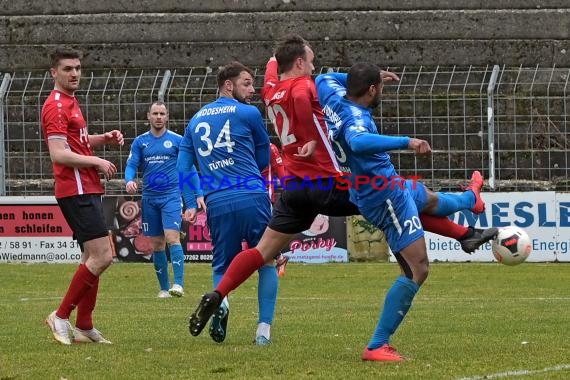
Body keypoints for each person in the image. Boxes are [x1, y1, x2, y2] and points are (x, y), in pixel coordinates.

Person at [187, 35, 496, 351]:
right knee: (401, 197)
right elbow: (319, 118)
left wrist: (363, 78)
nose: (314, 65)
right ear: (299, 63)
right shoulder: (306, 90)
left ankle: (218, 293)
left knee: (262, 252)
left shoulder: (269, 90)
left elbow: (279, 66)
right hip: (329, 182)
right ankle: (465, 228)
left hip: (294, 188)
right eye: (310, 59)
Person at [177, 61, 278, 345]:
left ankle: (222, 304)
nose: (252, 89)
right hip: (251, 195)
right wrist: (248, 170)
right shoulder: (248, 113)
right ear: (229, 85)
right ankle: (263, 332)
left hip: (217, 202)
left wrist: (189, 201)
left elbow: (183, 168)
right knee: (266, 260)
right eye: (247, 83)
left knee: (223, 265)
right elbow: (263, 154)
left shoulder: (195, 121)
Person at [41, 47, 123, 345]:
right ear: (54, 72)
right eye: (67, 69)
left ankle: (85, 326)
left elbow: (77, 141)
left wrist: (103, 140)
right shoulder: (56, 106)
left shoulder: (71, 103)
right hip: (75, 190)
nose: (74, 73)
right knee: (103, 256)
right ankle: (60, 316)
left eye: (77, 68)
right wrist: (97, 161)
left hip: (85, 188)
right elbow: (59, 153)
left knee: (92, 257)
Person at [124, 101, 204, 298]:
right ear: (148, 117)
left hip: (171, 197)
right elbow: (132, 165)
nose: (158, 117)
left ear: (167, 117)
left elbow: (190, 169)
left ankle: (178, 284)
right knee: (157, 244)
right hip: (149, 198)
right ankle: (163, 289)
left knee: (172, 238)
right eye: (155, 113)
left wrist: (199, 193)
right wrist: (128, 180)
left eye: (162, 114)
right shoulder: (140, 142)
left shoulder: (177, 141)